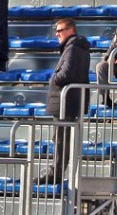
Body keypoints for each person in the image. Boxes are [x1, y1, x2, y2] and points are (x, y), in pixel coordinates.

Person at [38, 18, 90, 185]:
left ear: (71, 30)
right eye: (56, 31)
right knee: (61, 139)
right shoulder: (76, 47)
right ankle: (57, 172)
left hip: (65, 101)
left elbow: (66, 74)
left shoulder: (72, 48)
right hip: (69, 100)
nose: (57, 34)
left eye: (60, 30)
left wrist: (53, 79)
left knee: (61, 139)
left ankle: (56, 174)